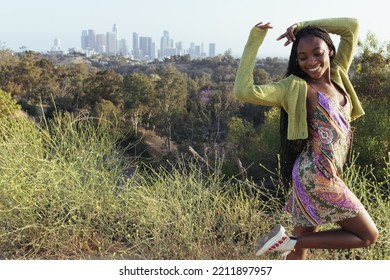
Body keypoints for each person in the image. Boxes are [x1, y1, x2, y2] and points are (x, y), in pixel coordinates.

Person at [233, 18, 379, 260]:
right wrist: (254, 40)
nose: (311, 62)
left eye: (317, 53)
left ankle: (290, 243)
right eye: (302, 57)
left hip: (319, 174)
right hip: (316, 176)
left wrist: (301, 26)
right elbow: (243, 91)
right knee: (367, 235)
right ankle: (286, 241)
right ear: (297, 61)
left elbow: (351, 26)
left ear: (329, 51)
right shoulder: (296, 87)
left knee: (298, 255)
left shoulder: (338, 73)